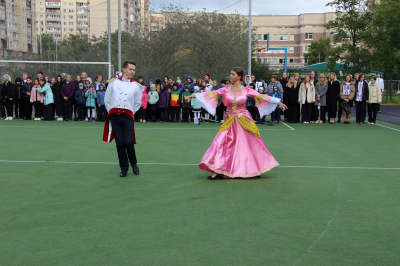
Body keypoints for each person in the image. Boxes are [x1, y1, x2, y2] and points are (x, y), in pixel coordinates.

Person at [186, 67, 287, 179]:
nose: (230, 76)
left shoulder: (247, 90)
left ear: (239, 77)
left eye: (233, 74)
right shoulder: (226, 89)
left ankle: (253, 169)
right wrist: (194, 95)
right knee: (219, 141)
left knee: (248, 144)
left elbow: (261, 97)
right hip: (229, 121)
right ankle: (218, 170)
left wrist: (278, 102)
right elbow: (212, 93)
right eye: (230, 73)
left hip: (244, 120)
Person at [103, 60, 143, 177]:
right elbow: (107, 100)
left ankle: (134, 163)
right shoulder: (113, 83)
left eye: (134, 70)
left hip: (127, 117)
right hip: (115, 116)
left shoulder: (136, 86)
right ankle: (124, 168)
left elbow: (137, 103)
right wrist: (112, 112)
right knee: (119, 144)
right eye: (130, 69)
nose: (132, 72)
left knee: (128, 142)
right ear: (124, 70)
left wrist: (129, 112)